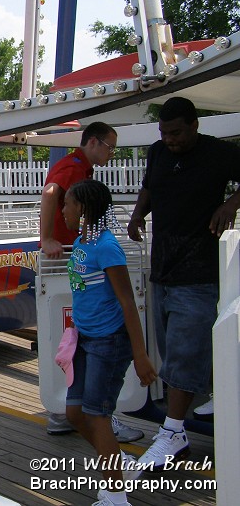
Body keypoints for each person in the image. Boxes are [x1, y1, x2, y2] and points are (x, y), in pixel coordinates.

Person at [127, 97, 240, 470]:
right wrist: (138, 213)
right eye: (164, 133)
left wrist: (231, 204)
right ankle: (211, 400)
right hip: (163, 269)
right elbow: (149, 187)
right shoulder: (158, 152)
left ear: (194, 126)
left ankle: (173, 431)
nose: (170, 140)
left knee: (183, 353)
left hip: (199, 271)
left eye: (176, 133)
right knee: (174, 354)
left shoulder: (218, 153)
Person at [40, 121, 144, 443]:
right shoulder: (73, 169)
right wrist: (47, 238)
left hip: (96, 325)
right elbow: (50, 193)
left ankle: (84, 416)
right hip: (63, 256)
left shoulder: (97, 243)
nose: (111, 154)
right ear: (94, 143)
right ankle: (92, 418)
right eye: (110, 147)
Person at [61, 180, 158, 506]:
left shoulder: (106, 247)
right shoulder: (80, 243)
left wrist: (140, 354)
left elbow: (128, 303)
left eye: (67, 204)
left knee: (97, 414)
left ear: (83, 210)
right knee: (74, 413)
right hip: (84, 340)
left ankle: (116, 497)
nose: (63, 210)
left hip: (108, 342)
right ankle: (119, 463)